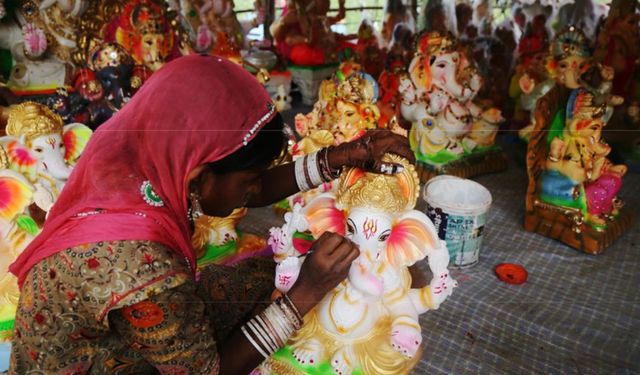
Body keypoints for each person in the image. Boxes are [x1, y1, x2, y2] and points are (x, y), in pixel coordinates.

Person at [8, 54, 415, 374]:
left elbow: (247, 188)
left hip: (100, 320)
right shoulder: (145, 271)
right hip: (89, 363)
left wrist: (345, 155)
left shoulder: (138, 154)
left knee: (261, 273)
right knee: (274, 288)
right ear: (200, 176)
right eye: (250, 178)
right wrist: (305, 293)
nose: (256, 190)